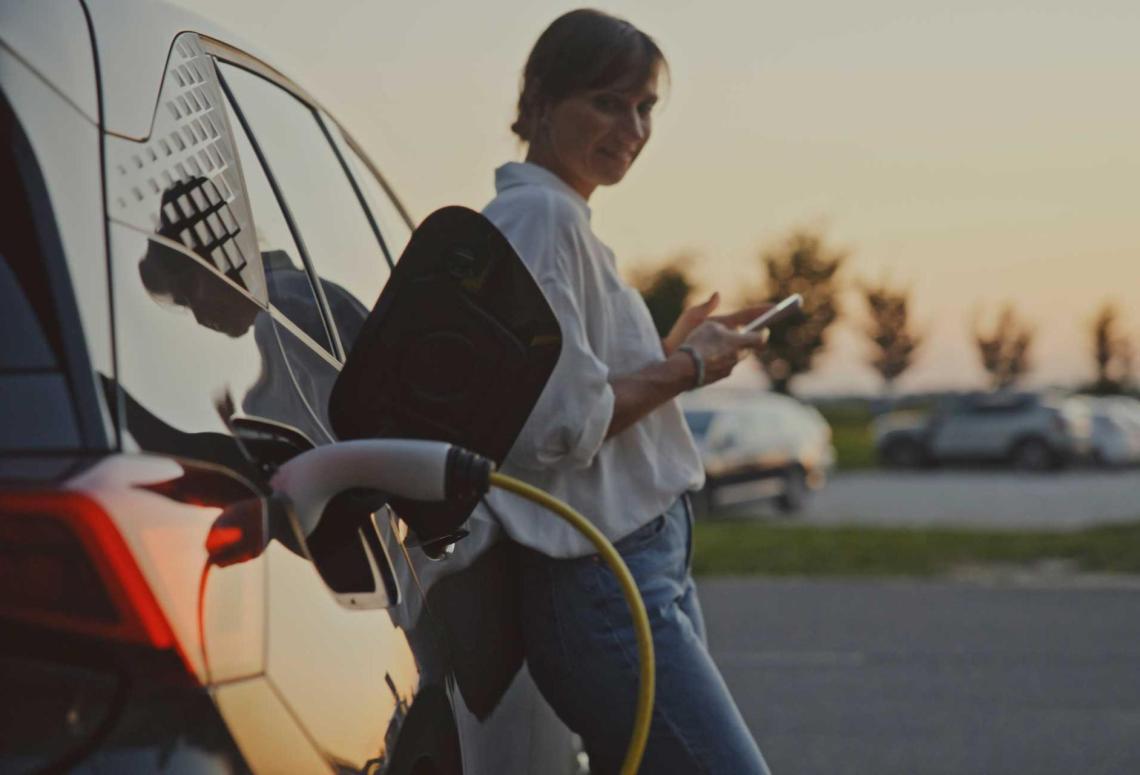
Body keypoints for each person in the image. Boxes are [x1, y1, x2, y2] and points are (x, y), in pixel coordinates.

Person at [480, 9, 773, 774]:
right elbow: (557, 428)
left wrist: (675, 349)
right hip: (604, 581)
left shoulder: (558, 218)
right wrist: (691, 368)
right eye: (608, 102)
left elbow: (576, 394)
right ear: (540, 101)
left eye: (644, 107)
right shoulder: (539, 217)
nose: (633, 126)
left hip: (639, 565)